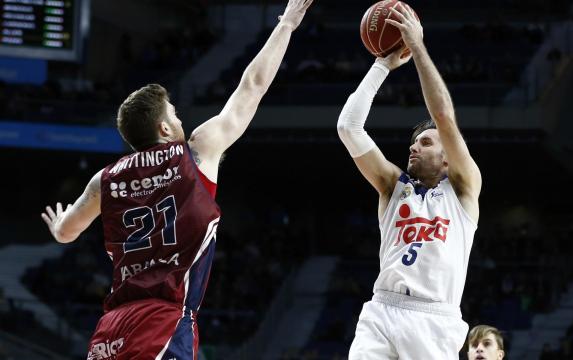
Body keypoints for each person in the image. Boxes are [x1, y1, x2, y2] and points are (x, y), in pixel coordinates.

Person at [40, 0, 314, 358]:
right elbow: (252, 86)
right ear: (165, 127)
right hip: (163, 322)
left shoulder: (104, 181)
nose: (181, 120)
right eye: (175, 114)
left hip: (111, 328)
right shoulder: (196, 153)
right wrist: (286, 26)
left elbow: (65, 232)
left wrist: (60, 222)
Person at [337, 4, 481, 359]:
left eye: (426, 143)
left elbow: (444, 116)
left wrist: (416, 46)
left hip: (434, 318)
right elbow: (348, 127)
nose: (414, 148)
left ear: (447, 157)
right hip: (382, 310)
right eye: (413, 143)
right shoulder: (393, 186)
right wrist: (382, 64)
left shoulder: (463, 188)